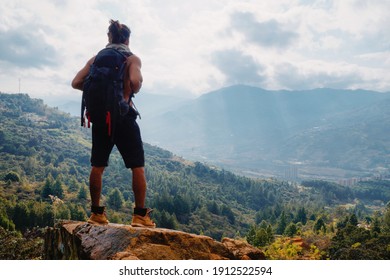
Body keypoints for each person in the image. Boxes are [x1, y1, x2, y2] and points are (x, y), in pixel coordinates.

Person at [71, 19, 155, 228]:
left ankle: (96, 213)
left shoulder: (96, 59)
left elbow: (76, 83)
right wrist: (127, 89)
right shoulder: (131, 58)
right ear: (127, 39)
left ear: (109, 38)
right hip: (123, 118)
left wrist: (103, 94)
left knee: (97, 166)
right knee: (137, 167)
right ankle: (139, 216)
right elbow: (135, 82)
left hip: (100, 118)